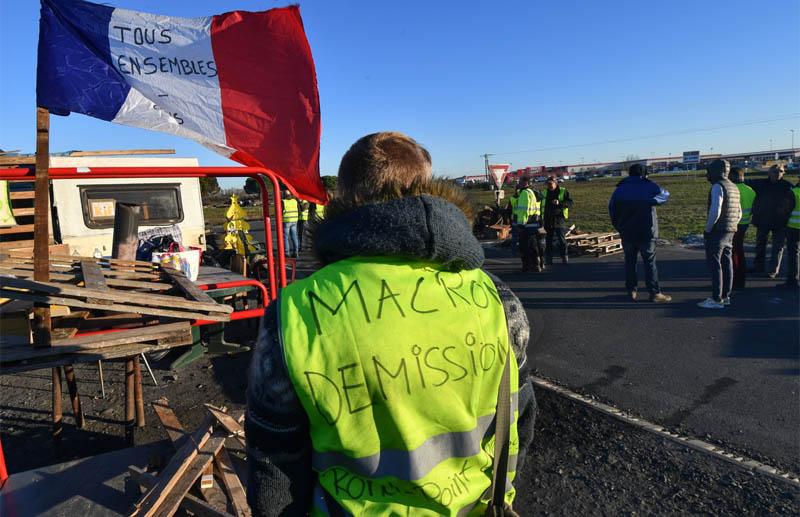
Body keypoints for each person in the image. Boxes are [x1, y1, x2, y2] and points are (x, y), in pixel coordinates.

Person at [246, 132, 537, 515]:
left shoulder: (295, 314)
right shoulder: (497, 299)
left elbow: (274, 467)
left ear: (345, 197)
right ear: (428, 185)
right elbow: (522, 418)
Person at [608, 163, 671, 302]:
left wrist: (619, 226)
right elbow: (665, 195)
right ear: (644, 173)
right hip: (646, 232)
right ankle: (654, 293)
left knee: (630, 262)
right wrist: (651, 201)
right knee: (649, 262)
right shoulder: (649, 186)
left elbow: (611, 208)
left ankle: (631, 291)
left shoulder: (620, 189)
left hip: (627, 232)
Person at [698, 159, 741, 309]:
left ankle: (716, 299)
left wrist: (708, 229)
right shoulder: (734, 186)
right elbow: (739, 212)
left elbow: (715, 211)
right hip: (731, 230)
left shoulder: (718, 186)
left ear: (715, 171)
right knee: (727, 263)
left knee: (715, 264)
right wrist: (733, 225)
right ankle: (726, 296)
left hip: (718, 231)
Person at [747, 164, 794, 278]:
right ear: (769, 172)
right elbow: (745, 181)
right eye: (774, 171)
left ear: (784, 173)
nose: (777, 173)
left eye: (780, 171)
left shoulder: (788, 186)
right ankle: (758, 266)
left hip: (780, 223)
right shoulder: (761, 183)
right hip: (763, 221)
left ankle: (773, 271)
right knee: (759, 245)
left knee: (777, 248)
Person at [731, 166, 756, 289]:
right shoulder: (750, 190)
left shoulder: (732, 189)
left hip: (733, 225)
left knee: (733, 253)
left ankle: (734, 280)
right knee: (739, 251)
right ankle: (741, 279)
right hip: (744, 224)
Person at [542, 176, 573, 265]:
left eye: (550, 184)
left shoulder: (562, 191)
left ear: (555, 183)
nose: (549, 186)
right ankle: (549, 258)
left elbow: (570, 203)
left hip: (559, 219)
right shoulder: (544, 192)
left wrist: (560, 203)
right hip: (548, 219)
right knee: (548, 240)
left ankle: (564, 256)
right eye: (547, 184)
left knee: (561, 239)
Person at [514, 178, 544, 271]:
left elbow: (524, 210)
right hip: (534, 223)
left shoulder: (524, 193)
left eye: (519, 182)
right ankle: (537, 264)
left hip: (526, 224)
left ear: (524, 183)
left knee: (524, 246)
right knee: (533, 245)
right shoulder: (532, 192)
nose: (518, 184)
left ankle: (528, 266)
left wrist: (521, 225)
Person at [778, 176, 800, 289]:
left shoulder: (794, 193)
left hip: (794, 228)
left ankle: (792, 279)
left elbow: (785, 211)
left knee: (793, 254)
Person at [282, 190, 300, 258]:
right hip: (294, 220)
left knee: (285, 237)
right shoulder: (295, 201)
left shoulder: (283, 202)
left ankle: (287, 253)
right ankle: (296, 253)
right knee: (294, 237)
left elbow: (280, 211)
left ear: (284, 195)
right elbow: (298, 210)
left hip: (286, 220)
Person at [507, 188, 520, 256]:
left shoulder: (512, 198)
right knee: (517, 236)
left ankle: (514, 251)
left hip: (515, 218)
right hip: (519, 218)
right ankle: (515, 251)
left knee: (515, 236)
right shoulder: (523, 197)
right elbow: (509, 210)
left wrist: (509, 219)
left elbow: (509, 210)